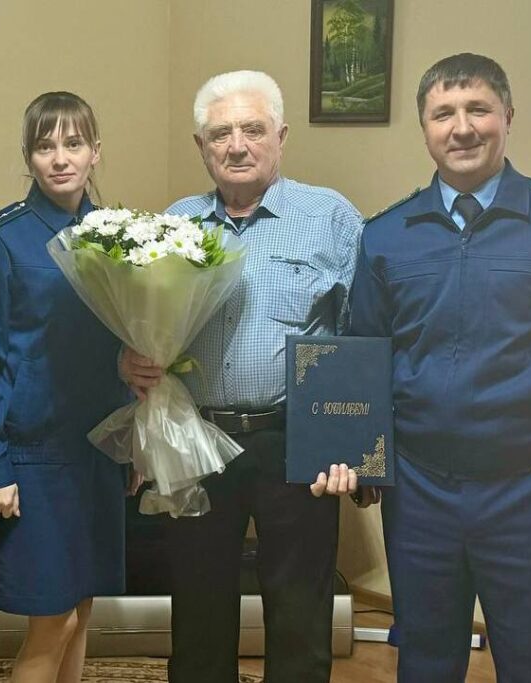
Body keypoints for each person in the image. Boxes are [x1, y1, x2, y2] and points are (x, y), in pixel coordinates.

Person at [349, 53, 531, 682]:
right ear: (424, 128)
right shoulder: (386, 235)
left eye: (478, 109)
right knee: (424, 662)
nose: (462, 128)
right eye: (443, 114)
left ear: (507, 116)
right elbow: (362, 359)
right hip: (419, 493)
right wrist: (360, 459)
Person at [120, 70, 364, 683]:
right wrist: (130, 359)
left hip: (297, 440)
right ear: (200, 146)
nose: (236, 146)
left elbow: (360, 339)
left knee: (301, 608)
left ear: (281, 136)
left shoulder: (331, 217)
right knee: (197, 606)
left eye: (253, 130)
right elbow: (146, 326)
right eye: (219, 134)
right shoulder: (175, 223)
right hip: (196, 437)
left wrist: (353, 449)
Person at [0, 91, 135, 683]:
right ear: (28, 156)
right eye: (44, 146)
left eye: (73, 144)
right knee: (51, 619)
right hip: (32, 454)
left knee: (81, 610)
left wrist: (132, 442)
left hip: (98, 448)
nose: (60, 158)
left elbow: (126, 347)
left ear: (95, 152)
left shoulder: (120, 239)